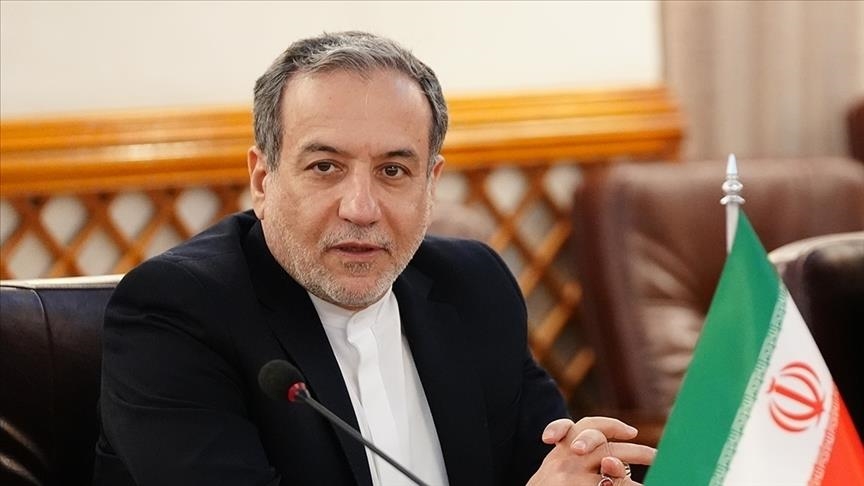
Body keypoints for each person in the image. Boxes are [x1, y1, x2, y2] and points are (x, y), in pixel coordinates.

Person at [94, 31, 654, 486]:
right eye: (325, 167)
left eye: (393, 171)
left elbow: (545, 464)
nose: (361, 209)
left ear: (430, 185)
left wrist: (590, 470)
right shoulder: (176, 314)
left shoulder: (473, 286)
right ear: (263, 180)